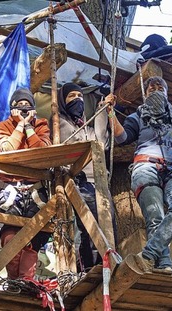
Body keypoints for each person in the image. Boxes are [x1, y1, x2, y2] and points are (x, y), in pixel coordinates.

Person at [107, 76, 172, 273]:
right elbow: (122, 137)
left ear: (166, 92)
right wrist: (111, 112)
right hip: (146, 167)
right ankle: (164, 265)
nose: (155, 88)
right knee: (155, 216)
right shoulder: (139, 116)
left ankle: (148, 255)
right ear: (146, 94)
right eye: (151, 87)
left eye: (160, 86)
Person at [55, 82, 115, 272]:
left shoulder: (86, 127)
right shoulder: (59, 122)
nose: (77, 100)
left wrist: (102, 110)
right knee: (88, 225)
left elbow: (100, 141)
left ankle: (105, 264)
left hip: (97, 181)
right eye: (71, 96)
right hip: (78, 180)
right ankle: (88, 267)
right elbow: (74, 143)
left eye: (80, 96)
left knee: (108, 223)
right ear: (63, 101)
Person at [0, 88, 52, 284]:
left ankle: (26, 282)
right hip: (9, 187)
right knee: (10, 236)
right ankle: (13, 281)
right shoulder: (3, 126)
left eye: (27, 106)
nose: (24, 109)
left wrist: (29, 128)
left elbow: (43, 152)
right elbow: (7, 148)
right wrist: (19, 126)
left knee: (36, 236)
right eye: (19, 107)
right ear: (12, 109)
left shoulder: (42, 125)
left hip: (36, 188)